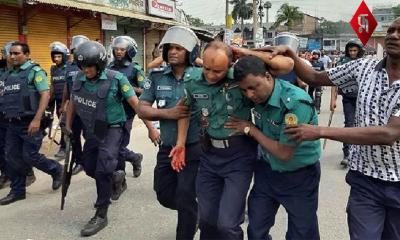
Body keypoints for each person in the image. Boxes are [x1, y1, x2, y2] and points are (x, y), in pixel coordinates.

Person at [269, 17, 400, 240]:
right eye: (391, 30)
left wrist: (320, 131)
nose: (393, 35)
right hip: (364, 181)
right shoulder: (364, 66)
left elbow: (389, 133)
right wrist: (291, 55)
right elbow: (314, 77)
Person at [170, 41, 293, 239]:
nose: (210, 75)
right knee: (207, 221)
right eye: (207, 68)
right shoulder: (192, 79)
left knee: (227, 225)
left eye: (217, 71)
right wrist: (180, 143)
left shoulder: (241, 79)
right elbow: (184, 110)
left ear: (230, 64)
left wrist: (244, 52)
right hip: (209, 156)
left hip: (239, 157)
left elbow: (286, 65)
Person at [64, 40, 159, 237]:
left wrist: (151, 128)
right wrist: (67, 124)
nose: (86, 70)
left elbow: (136, 104)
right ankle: (116, 177)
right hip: (93, 129)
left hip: (114, 128)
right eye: (82, 66)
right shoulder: (79, 78)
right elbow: (73, 101)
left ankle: (101, 212)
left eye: (90, 66)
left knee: (103, 168)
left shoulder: (117, 79)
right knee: (89, 166)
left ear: (99, 64)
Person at [227, 55, 321, 240]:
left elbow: (283, 153)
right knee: (256, 230)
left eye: (254, 88)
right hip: (266, 172)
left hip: (299, 177)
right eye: (244, 90)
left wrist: (250, 129)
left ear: (268, 76)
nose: (250, 95)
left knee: (302, 234)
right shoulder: (254, 91)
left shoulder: (294, 103)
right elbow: (215, 66)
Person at [138, 26, 202, 240]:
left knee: (185, 194)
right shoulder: (156, 76)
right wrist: (169, 113)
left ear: (190, 52)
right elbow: (142, 108)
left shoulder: (201, 75)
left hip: (194, 147)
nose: (173, 52)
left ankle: (186, 226)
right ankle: (195, 212)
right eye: (169, 48)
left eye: (179, 48)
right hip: (167, 147)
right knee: (163, 194)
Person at [0, 42, 63, 205]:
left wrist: (37, 119)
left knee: (30, 155)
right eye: (11, 53)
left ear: (27, 55)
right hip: (11, 122)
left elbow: (45, 94)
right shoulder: (7, 75)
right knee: (11, 156)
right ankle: (18, 190)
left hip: (30, 122)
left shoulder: (34, 71)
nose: (12, 56)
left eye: (17, 53)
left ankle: (56, 170)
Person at [107, 36, 145, 184]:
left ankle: (119, 180)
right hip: (110, 112)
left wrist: (127, 88)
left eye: (122, 49)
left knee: (119, 146)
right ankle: (134, 157)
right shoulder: (109, 68)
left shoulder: (135, 69)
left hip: (128, 112)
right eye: (116, 49)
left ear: (129, 51)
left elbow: (145, 90)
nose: (118, 52)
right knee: (113, 146)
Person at [330, 39, 365, 167]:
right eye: (350, 50)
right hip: (348, 98)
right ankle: (347, 154)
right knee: (349, 124)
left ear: (359, 51)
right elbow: (333, 80)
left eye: (355, 50)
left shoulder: (364, 63)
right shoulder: (342, 63)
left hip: (362, 98)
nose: (352, 53)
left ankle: (360, 152)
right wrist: (332, 100)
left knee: (362, 125)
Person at [61, 35, 89, 175]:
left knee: (91, 136)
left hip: (90, 107)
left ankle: (92, 159)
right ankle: (80, 161)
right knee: (73, 135)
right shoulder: (69, 66)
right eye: (74, 51)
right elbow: (67, 86)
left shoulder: (93, 64)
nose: (77, 53)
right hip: (74, 106)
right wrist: (63, 104)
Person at [48, 41, 69, 158]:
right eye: (54, 56)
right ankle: (67, 143)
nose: (56, 59)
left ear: (64, 56)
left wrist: (66, 102)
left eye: (59, 56)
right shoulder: (53, 69)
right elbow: (52, 84)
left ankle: (64, 147)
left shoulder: (69, 68)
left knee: (64, 123)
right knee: (62, 124)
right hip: (57, 100)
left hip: (67, 101)